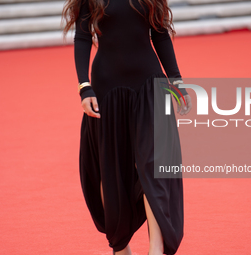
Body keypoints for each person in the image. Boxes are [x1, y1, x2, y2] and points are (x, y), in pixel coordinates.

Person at [61, 0, 192, 254]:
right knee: (109, 169)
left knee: (154, 165)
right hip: (107, 89)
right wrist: (83, 86)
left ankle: (156, 248)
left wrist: (176, 81)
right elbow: (82, 37)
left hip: (149, 85)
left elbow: (161, 33)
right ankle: (120, 247)